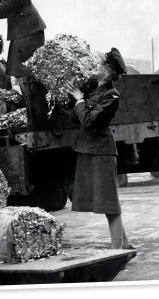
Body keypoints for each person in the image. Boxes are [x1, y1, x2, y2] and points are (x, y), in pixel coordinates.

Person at [64, 48, 135, 251]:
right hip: (91, 150)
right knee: (106, 201)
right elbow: (79, 115)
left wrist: (79, 100)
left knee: (109, 202)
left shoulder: (111, 95)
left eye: (98, 65)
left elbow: (89, 121)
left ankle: (117, 250)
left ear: (107, 71)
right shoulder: (95, 90)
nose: (94, 68)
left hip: (101, 152)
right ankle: (124, 243)